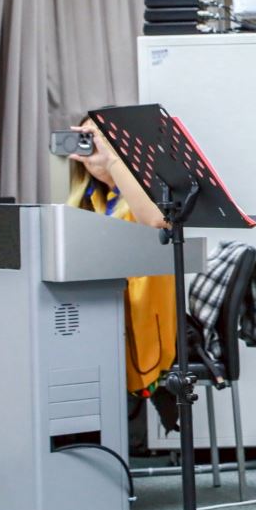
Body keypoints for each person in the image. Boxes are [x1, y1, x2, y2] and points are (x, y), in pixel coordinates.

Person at [65, 116, 176, 399]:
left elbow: (157, 222)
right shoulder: (87, 201)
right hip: (98, 318)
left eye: (102, 138)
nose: (95, 147)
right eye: (88, 139)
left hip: (142, 327)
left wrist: (115, 162)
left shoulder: (151, 197)